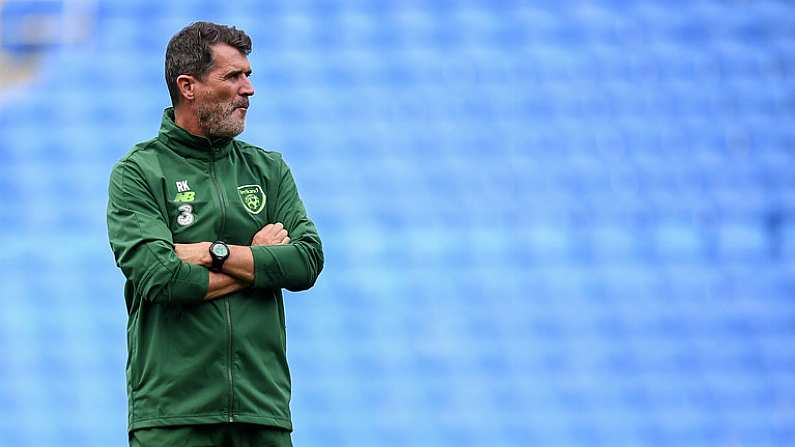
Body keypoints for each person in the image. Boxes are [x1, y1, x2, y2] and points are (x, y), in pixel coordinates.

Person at [106, 21, 323, 447]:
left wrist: (211, 252)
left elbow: (305, 262)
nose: (248, 89)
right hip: (174, 417)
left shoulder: (268, 169)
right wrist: (256, 261)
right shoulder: (139, 172)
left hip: (263, 411)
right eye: (232, 76)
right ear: (188, 86)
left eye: (248, 76)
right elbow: (160, 276)